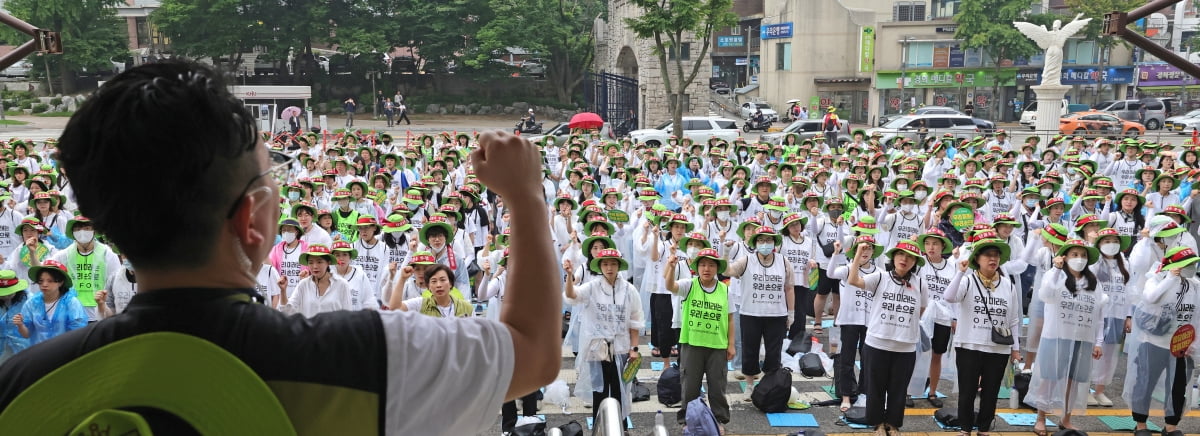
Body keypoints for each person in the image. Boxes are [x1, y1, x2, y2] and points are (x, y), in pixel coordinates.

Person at [0, 61, 561, 434]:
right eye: (270, 180)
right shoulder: (366, 357)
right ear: (253, 219)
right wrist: (526, 195)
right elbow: (533, 352)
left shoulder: (24, 385)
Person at [846, 239, 927, 436]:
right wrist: (857, 255)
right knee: (876, 387)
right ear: (893, 257)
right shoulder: (880, 277)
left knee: (898, 390)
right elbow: (853, 280)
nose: (905, 259)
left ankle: (893, 424)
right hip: (876, 343)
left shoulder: (920, 284)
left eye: (910, 257)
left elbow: (921, 309)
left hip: (906, 347)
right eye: (901, 255)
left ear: (915, 262)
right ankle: (877, 424)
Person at [1026, 239, 1106, 434]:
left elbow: (1100, 315)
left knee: (1074, 380)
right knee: (1050, 377)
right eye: (1074, 254)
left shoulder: (1093, 282)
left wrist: (1098, 342)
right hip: (1057, 336)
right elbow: (1045, 294)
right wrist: (1055, 270)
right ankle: (1041, 418)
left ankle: (1066, 418)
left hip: (1083, 337)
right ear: (1065, 256)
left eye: (1083, 255)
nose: (1079, 259)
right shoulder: (1055, 277)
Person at [943, 238, 1022, 436]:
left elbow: (1013, 320)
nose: (992, 259)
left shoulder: (1008, 285)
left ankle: (984, 430)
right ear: (977, 258)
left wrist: (1016, 349)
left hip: (998, 348)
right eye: (988, 255)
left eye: (996, 255)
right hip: (969, 344)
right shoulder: (968, 280)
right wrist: (960, 271)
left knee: (991, 393)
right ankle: (965, 429)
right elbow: (949, 296)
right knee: (967, 393)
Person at [563, 248, 642, 422]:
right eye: (605, 264)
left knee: (619, 391)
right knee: (599, 391)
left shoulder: (629, 290)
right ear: (599, 266)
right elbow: (571, 295)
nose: (609, 268)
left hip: (621, 349)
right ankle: (600, 427)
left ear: (619, 266)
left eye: (613, 263)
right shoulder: (592, 287)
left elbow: (635, 322)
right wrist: (569, 277)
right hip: (597, 349)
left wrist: (634, 348)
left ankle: (621, 428)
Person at [665, 248, 734, 430]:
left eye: (711, 265)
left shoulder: (725, 290)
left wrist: (731, 344)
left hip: (717, 345)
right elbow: (670, 287)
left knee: (717, 387)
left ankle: (719, 420)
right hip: (692, 344)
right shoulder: (690, 285)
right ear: (697, 267)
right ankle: (688, 421)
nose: (707, 268)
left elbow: (730, 318)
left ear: (717, 268)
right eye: (703, 264)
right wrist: (671, 268)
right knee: (690, 387)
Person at [14, 260, 87, 346]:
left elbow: (78, 333)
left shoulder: (71, 303)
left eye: (50, 281)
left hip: (65, 351)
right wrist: (20, 325)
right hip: (39, 353)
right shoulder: (31, 303)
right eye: (41, 281)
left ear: (60, 282)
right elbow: (27, 335)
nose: (44, 284)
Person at [0, 270, 29, 364]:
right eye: (3, 295)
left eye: (10, 293)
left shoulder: (29, 301)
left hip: (23, 345)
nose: (7, 297)